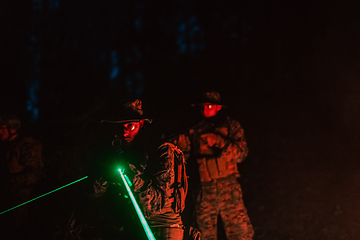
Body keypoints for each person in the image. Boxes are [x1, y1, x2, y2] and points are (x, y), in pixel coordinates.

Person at [97, 99, 197, 240]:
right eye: (119, 126)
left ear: (141, 124)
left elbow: (158, 205)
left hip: (162, 230)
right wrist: (102, 176)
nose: (124, 132)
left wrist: (132, 177)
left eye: (130, 126)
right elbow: (95, 196)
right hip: (132, 229)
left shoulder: (163, 151)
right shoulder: (120, 152)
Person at [172, 91, 254, 240]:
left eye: (209, 106)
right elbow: (184, 158)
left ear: (218, 107)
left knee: (240, 233)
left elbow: (241, 154)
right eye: (202, 106)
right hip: (205, 189)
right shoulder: (195, 129)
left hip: (228, 186)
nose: (205, 110)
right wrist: (179, 146)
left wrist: (219, 141)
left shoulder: (231, 126)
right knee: (203, 234)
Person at [0, 113, 44, 239]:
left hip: (23, 194)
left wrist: (10, 181)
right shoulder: (6, 145)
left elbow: (35, 174)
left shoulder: (28, 144)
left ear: (12, 129)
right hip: (7, 192)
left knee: (13, 228)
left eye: (1, 128)